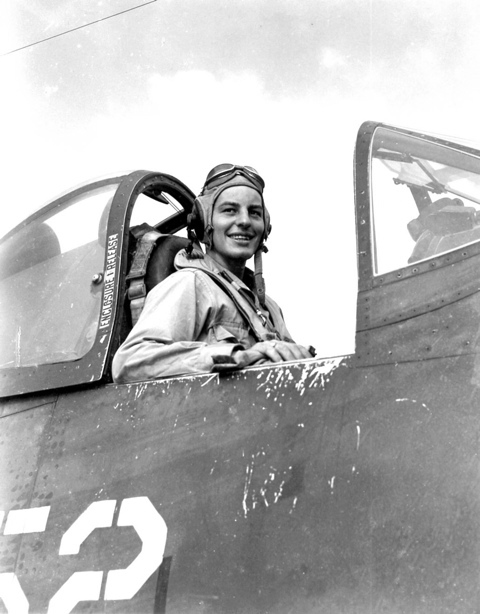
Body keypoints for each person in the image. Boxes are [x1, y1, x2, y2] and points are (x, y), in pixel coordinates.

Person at [112, 164, 313, 382]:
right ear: (204, 221)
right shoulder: (191, 283)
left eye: (254, 213)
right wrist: (239, 357)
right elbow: (130, 362)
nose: (245, 221)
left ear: (265, 227)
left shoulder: (269, 308)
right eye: (230, 210)